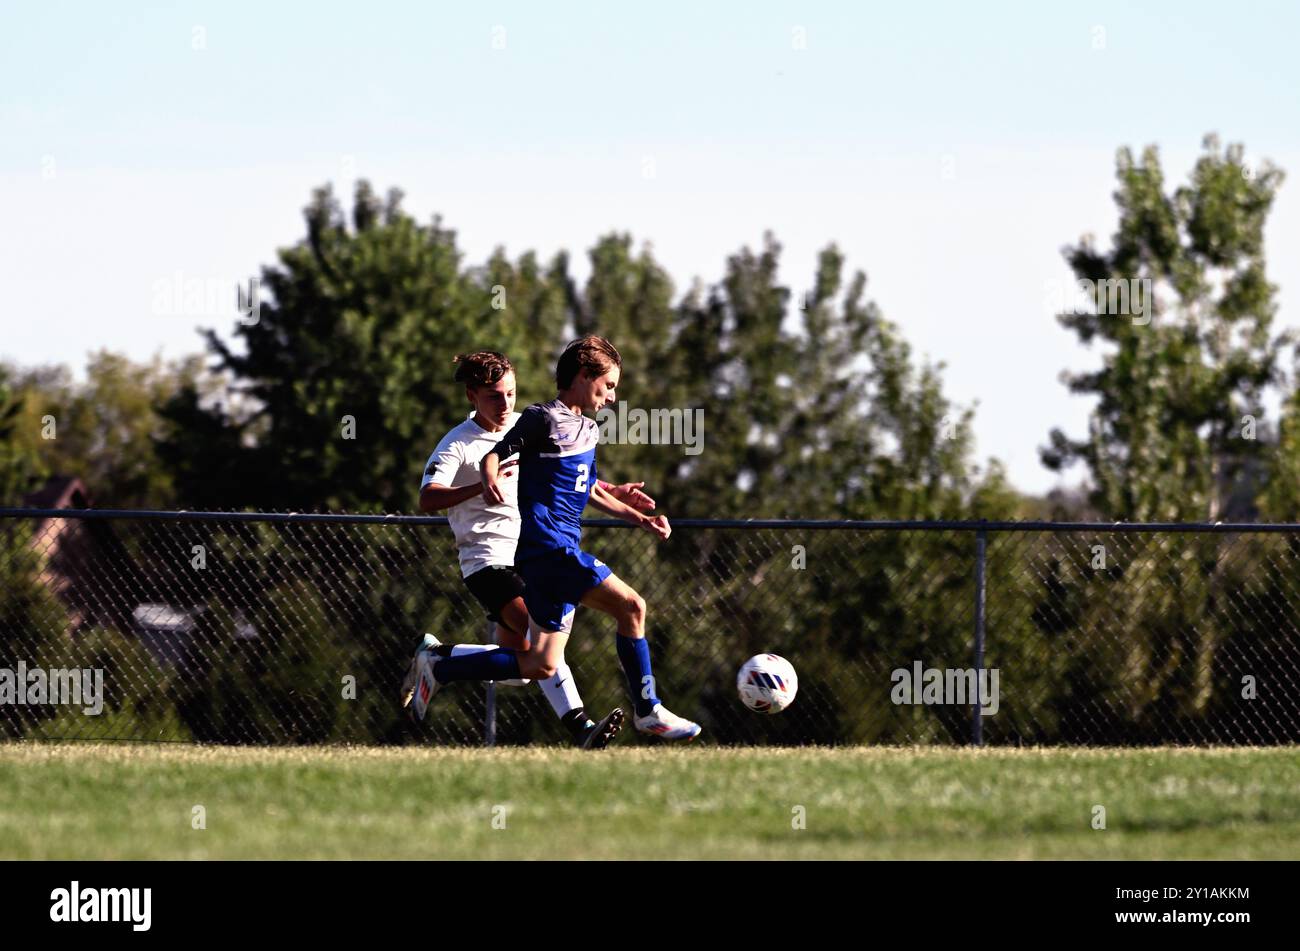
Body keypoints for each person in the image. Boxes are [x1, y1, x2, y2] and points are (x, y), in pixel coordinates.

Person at [406, 336, 701, 740]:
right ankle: (626, 716)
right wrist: (483, 482)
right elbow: (429, 496)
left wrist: (630, 508)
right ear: (472, 396)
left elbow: (580, 482)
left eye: (510, 392)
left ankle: (442, 664)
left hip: (529, 551)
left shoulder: (564, 427)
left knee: (536, 665)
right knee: (630, 607)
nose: (504, 403)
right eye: (494, 396)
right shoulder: (467, 440)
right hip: (494, 556)